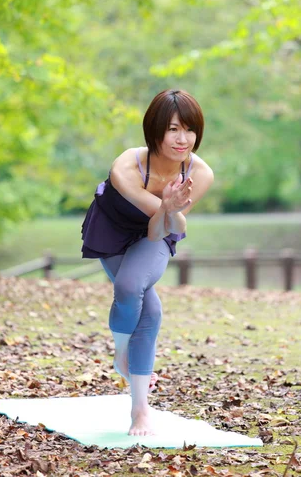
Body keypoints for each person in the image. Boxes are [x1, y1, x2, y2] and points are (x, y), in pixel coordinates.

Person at [81, 89, 214, 436]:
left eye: (189, 129)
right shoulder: (126, 166)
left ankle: (139, 409)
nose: (182, 139)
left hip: (157, 231)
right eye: (172, 129)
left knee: (130, 287)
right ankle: (124, 360)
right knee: (148, 310)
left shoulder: (200, 173)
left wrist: (171, 210)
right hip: (113, 229)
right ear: (154, 130)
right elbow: (152, 215)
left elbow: (159, 232)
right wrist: (165, 208)